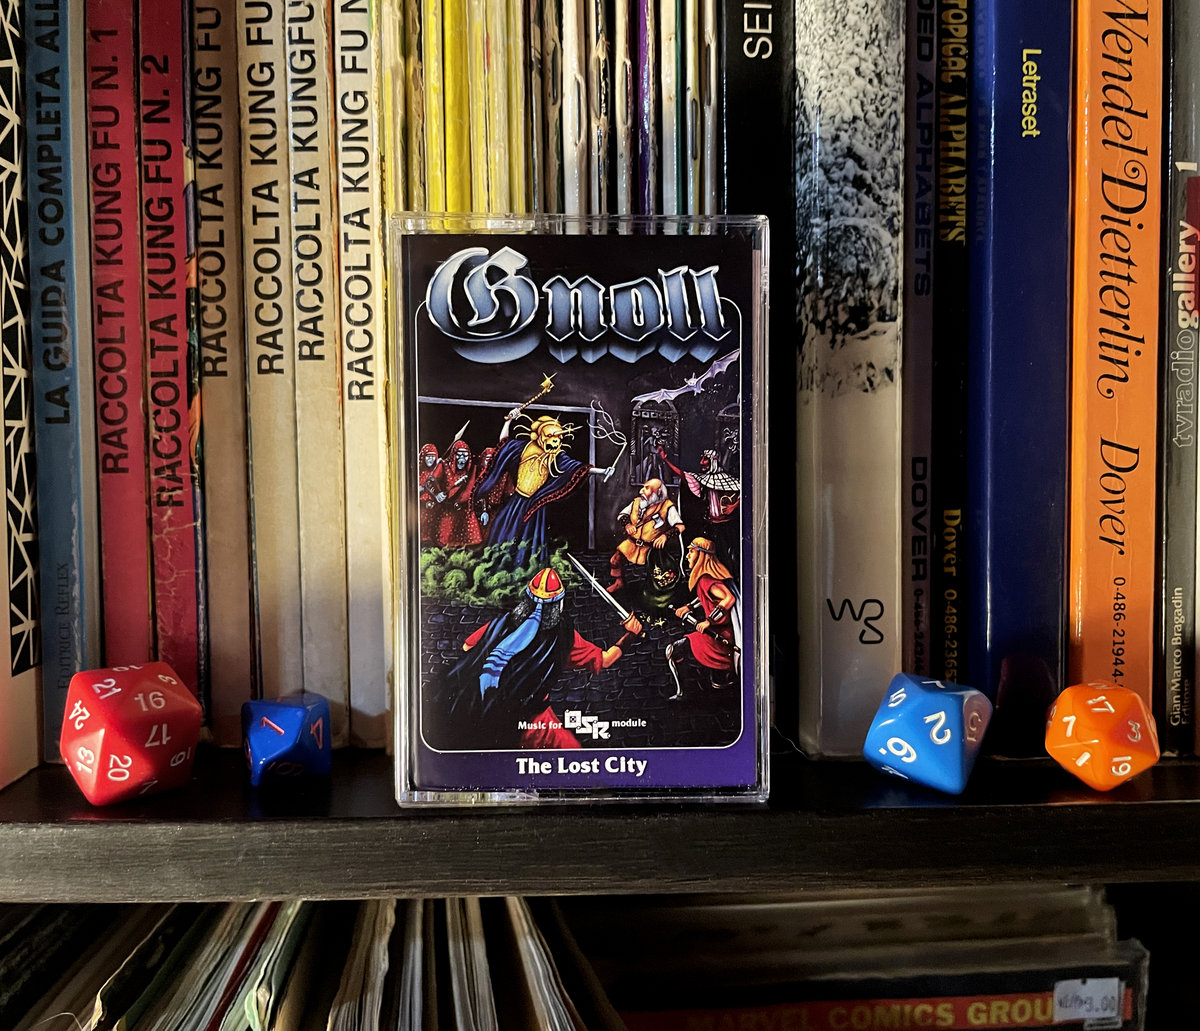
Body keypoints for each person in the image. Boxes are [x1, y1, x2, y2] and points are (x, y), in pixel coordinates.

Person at [429, 567, 643, 749]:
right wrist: (631, 635)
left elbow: (467, 646)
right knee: (572, 756)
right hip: (531, 720)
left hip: (478, 707)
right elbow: (605, 660)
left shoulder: (501, 623)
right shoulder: (563, 636)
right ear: (558, 604)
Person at [476, 409, 611, 567]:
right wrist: (508, 421)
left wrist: (602, 471)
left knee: (531, 539)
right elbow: (504, 444)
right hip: (516, 502)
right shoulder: (524, 448)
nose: (555, 442)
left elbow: (578, 468)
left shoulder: (556, 455)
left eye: (558, 438)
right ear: (539, 436)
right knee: (504, 532)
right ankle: (499, 566)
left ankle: (527, 569)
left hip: (534, 506)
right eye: (550, 437)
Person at [666, 537, 739, 700]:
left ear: (701, 555)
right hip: (714, 633)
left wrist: (709, 621)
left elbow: (729, 598)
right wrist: (689, 607)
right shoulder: (704, 579)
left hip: (719, 637)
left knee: (673, 651)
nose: (687, 556)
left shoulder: (707, 580)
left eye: (691, 552)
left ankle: (683, 694)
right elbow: (704, 597)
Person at [657, 446, 741, 572]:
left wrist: (733, 506)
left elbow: (745, 492)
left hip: (726, 527)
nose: (701, 462)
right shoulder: (703, 479)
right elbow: (683, 475)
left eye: (705, 459)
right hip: (711, 526)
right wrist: (666, 460)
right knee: (711, 556)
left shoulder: (728, 480)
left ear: (713, 461)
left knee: (727, 557)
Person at [607, 477, 685, 593]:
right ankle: (619, 582)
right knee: (615, 560)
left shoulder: (667, 506)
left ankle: (655, 593)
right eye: (643, 487)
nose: (641, 491)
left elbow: (680, 527)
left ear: (658, 491)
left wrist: (665, 536)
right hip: (632, 543)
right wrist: (628, 525)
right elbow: (622, 515)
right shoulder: (637, 502)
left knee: (657, 573)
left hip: (651, 548)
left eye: (647, 488)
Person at [434, 440, 484, 546]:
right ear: (453, 455)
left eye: (465, 455)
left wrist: (483, 510)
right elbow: (430, 481)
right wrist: (437, 493)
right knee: (446, 547)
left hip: (467, 515)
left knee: (472, 548)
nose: (462, 458)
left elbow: (480, 489)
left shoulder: (473, 468)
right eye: (459, 455)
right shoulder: (444, 465)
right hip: (448, 514)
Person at [417, 443, 445, 544]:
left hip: (436, 507)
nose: (430, 459)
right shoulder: (419, 472)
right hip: (422, 506)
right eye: (428, 456)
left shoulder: (437, 471)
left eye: (433, 456)